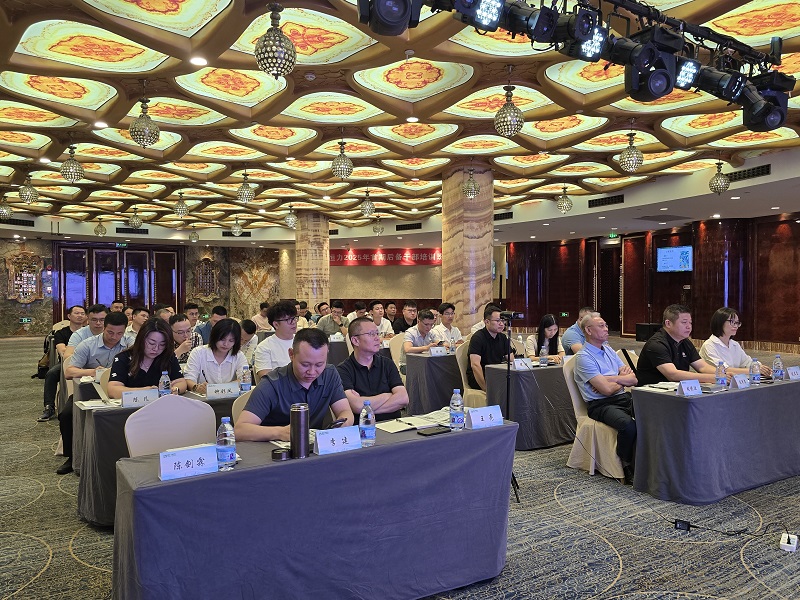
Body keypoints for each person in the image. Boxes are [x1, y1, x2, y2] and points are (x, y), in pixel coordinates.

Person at [234, 328, 353, 442]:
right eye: (305, 364)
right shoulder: (272, 383)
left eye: (319, 364)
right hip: (274, 450)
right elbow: (240, 430)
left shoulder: (329, 374)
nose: (312, 372)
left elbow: (345, 411)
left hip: (314, 448)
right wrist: (280, 432)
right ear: (291, 354)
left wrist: (342, 425)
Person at [57, 311, 129, 474]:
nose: (114, 337)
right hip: (91, 391)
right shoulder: (88, 345)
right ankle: (72, 456)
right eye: (110, 332)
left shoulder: (130, 343)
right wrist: (93, 372)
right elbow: (69, 372)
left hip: (121, 389)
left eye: (119, 333)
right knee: (67, 415)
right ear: (104, 327)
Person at [573, 313, 638, 482]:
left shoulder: (609, 350)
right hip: (600, 404)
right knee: (628, 426)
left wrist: (611, 379)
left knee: (651, 414)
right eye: (601, 326)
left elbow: (634, 379)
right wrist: (621, 379)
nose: (606, 329)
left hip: (622, 397)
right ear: (588, 330)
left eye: (606, 325)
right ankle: (625, 463)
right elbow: (607, 391)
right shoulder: (583, 357)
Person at [338, 317, 408, 422]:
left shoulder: (387, 363)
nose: (377, 338)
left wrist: (365, 409)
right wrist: (387, 396)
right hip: (363, 428)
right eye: (371, 334)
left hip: (393, 425)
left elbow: (403, 398)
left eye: (377, 334)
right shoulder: (343, 370)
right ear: (355, 340)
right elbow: (356, 406)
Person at [635, 304, 718, 386]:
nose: (689, 326)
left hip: (677, 389)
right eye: (684, 322)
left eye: (690, 323)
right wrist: (713, 378)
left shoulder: (685, 342)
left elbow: (702, 367)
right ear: (668, 323)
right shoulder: (656, 344)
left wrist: (722, 373)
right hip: (652, 391)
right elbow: (673, 375)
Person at [108, 318, 186, 398]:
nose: (156, 348)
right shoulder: (123, 358)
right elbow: (113, 390)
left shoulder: (168, 356)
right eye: (151, 343)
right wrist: (145, 392)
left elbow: (181, 382)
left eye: (162, 344)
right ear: (141, 339)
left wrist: (175, 389)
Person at [38, 305, 86, 422]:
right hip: (68, 364)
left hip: (89, 363)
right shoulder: (61, 333)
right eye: (77, 313)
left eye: (82, 313)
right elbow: (63, 351)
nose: (80, 316)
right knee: (51, 374)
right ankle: (49, 407)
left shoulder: (88, 331)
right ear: (69, 316)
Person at [699, 307, 771, 376]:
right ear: (720, 322)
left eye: (737, 323)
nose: (736, 326)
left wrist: (760, 367)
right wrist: (753, 370)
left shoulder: (734, 344)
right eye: (732, 322)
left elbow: (747, 362)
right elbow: (723, 370)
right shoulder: (709, 345)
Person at [184, 319, 248, 394]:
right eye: (222, 339)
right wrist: (197, 387)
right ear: (215, 336)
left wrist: (220, 389)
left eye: (231, 341)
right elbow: (188, 378)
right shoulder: (198, 353)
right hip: (203, 398)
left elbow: (244, 379)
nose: (226, 344)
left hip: (231, 399)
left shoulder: (239, 355)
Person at [467, 306, 513, 391]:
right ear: (487, 322)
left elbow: (511, 360)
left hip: (497, 375)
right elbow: (475, 365)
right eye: (498, 321)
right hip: (480, 377)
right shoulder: (477, 338)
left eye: (503, 320)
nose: (501, 324)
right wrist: (485, 388)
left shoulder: (502, 337)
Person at [254, 300, 298, 378]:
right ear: (276, 324)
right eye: (288, 320)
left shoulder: (303, 342)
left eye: (294, 318)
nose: (294, 322)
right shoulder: (264, 347)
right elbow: (266, 378)